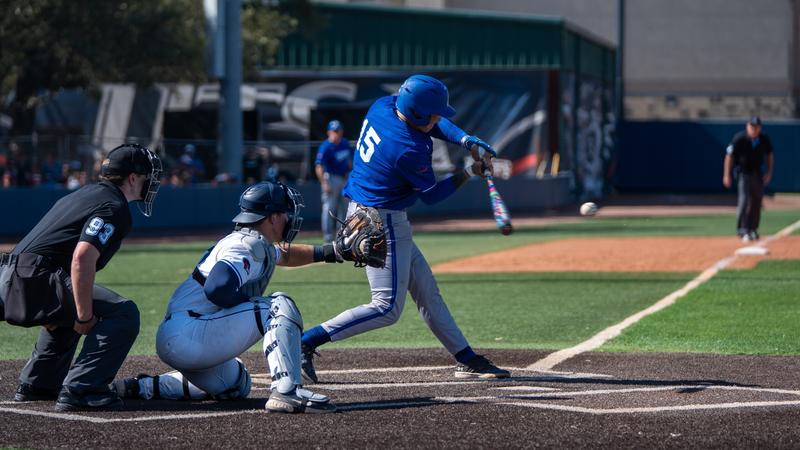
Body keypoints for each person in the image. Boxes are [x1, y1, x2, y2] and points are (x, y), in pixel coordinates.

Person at [300, 74, 510, 383]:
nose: (438, 119)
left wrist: (466, 140)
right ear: (417, 113)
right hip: (380, 221)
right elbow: (432, 196)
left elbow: (432, 123)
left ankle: (467, 358)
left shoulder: (384, 106)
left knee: (426, 290)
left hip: (368, 209)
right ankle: (306, 341)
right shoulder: (407, 148)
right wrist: (470, 171)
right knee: (386, 307)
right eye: (433, 114)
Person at [111, 181, 340, 414]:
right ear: (272, 217)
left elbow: (286, 255)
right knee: (279, 305)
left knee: (236, 384)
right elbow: (217, 288)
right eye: (285, 213)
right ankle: (287, 391)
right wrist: (250, 307)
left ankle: (141, 387)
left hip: (181, 335)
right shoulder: (245, 245)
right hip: (190, 333)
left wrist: (335, 251)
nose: (290, 218)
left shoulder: (251, 242)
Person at [0, 143, 162, 411]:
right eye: (147, 177)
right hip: (33, 278)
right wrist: (84, 316)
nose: (151, 183)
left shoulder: (85, 194)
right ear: (133, 178)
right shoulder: (114, 206)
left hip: (11, 275)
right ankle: (83, 390)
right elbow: (82, 258)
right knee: (123, 313)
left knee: (75, 304)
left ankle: (39, 384)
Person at [723, 116, 775, 242]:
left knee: (757, 201)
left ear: (760, 128)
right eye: (752, 126)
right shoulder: (739, 138)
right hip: (743, 173)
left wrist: (769, 172)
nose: (754, 129)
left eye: (756, 127)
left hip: (757, 173)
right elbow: (729, 156)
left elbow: (769, 155)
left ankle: (753, 229)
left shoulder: (763, 139)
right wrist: (726, 174)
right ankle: (742, 229)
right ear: (747, 126)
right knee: (744, 200)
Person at [315, 120, 353, 242]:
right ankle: (328, 237)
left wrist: (350, 173)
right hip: (331, 178)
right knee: (329, 208)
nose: (337, 133)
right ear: (329, 132)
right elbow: (319, 166)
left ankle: (341, 236)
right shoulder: (326, 146)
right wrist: (324, 182)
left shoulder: (345, 143)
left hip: (344, 178)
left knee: (345, 209)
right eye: (334, 131)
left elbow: (349, 161)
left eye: (338, 131)